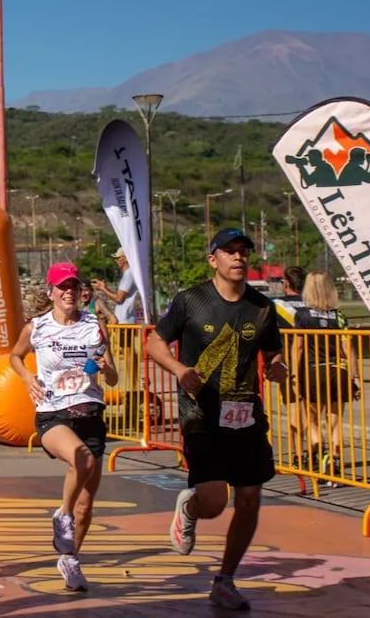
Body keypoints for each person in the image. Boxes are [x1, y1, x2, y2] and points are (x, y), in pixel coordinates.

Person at [146, 227, 287, 611]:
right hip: (201, 415)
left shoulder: (262, 306)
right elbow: (154, 341)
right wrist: (178, 369)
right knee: (214, 502)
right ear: (213, 259)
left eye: (244, 251)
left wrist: (278, 367)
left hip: (246, 414)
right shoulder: (191, 300)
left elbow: (274, 352)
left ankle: (224, 579)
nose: (239, 258)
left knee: (250, 498)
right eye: (230, 252)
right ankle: (190, 508)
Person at [7, 262, 118, 592]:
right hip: (53, 412)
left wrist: (105, 369)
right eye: (61, 287)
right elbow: (14, 356)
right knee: (80, 458)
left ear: (81, 291)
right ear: (50, 292)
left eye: (73, 286)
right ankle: (62, 515)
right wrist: (28, 378)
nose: (68, 292)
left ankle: (70, 558)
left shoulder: (94, 327)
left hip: (90, 412)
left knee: (87, 504)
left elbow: (111, 376)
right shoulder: (36, 327)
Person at [291, 271, 357, 487]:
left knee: (311, 419)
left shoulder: (302, 316)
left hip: (313, 370)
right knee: (335, 421)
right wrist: (354, 377)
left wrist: (294, 375)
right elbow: (349, 349)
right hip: (339, 370)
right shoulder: (339, 316)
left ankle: (321, 452)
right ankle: (335, 461)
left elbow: (298, 347)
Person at [273, 266, 306, 466]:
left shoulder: (275, 305)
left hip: (289, 361)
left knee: (294, 408)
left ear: (286, 283)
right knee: (312, 410)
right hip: (311, 361)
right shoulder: (313, 303)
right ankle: (312, 451)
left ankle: (298, 455)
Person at [90, 247, 140, 324]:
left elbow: (119, 298)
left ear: (126, 258)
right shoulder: (129, 274)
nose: (116, 261)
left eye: (118, 258)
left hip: (125, 320)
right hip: (125, 319)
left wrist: (103, 288)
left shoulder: (129, 275)